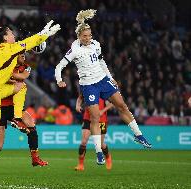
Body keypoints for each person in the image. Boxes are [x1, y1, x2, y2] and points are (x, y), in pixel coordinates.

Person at [55, 9, 151, 165]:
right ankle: (99, 152)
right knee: (95, 117)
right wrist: (59, 80)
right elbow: (59, 66)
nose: (88, 38)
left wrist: (110, 77)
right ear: (79, 36)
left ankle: (139, 135)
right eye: (85, 36)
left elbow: (101, 62)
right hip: (88, 85)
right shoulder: (74, 49)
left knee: (122, 105)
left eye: (89, 35)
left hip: (102, 80)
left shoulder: (96, 44)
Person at [0, 20, 60, 184]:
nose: (13, 35)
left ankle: (18, 121)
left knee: (20, 87)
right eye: (10, 33)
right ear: (5, 37)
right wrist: (45, 34)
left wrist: (41, 34)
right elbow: (30, 42)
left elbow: (26, 45)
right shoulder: (9, 49)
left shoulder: (3, 48)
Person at [0, 54, 48, 181]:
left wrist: (11, 77)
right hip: (0, 107)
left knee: (31, 123)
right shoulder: (5, 64)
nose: (24, 57)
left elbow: (24, 76)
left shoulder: (26, 67)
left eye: (25, 55)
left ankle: (35, 158)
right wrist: (12, 78)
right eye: (21, 55)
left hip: (14, 107)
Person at [75, 95, 113, 171]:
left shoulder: (103, 91)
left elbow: (112, 103)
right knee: (83, 142)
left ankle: (108, 157)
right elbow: (80, 98)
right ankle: (80, 164)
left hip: (101, 120)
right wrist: (77, 105)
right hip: (88, 119)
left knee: (101, 145)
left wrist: (103, 111)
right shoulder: (86, 87)